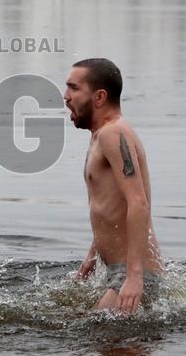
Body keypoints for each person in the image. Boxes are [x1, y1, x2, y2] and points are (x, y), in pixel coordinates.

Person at [63, 58, 162, 314]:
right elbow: (110, 205)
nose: (66, 97)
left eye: (74, 88)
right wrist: (93, 254)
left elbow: (138, 202)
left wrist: (135, 276)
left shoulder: (113, 134)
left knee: (98, 344)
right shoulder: (101, 135)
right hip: (118, 272)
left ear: (99, 97)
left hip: (131, 275)